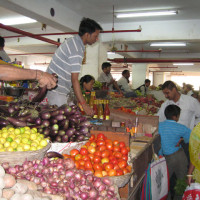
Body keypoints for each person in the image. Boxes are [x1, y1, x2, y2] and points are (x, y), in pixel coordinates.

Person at [46, 18, 102, 116]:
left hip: (58, 90)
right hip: (57, 91)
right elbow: (75, 79)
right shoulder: (76, 49)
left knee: (70, 118)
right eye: (95, 36)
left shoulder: (74, 42)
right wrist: (84, 105)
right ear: (87, 35)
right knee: (62, 122)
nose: (96, 39)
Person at [158, 104, 191, 200]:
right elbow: (190, 137)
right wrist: (182, 139)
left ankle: (166, 197)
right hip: (179, 156)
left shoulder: (159, 126)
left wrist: (160, 153)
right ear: (175, 117)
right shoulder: (181, 127)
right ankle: (179, 197)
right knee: (181, 180)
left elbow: (157, 141)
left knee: (164, 182)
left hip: (165, 158)